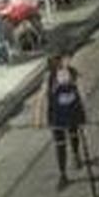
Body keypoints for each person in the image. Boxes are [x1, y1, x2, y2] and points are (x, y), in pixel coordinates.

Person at [38, 53, 87, 189]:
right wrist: (38, 117)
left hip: (72, 112)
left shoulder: (73, 72)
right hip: (57, 115)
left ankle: (76, 154)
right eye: (66, 58)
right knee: (60, 144)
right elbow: (41, 96)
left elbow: (81, 90)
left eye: (69, 58)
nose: (69, 60)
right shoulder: (49, 77)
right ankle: (63, 174)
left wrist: (83, 108)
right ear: (58, 61)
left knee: (73, 133)